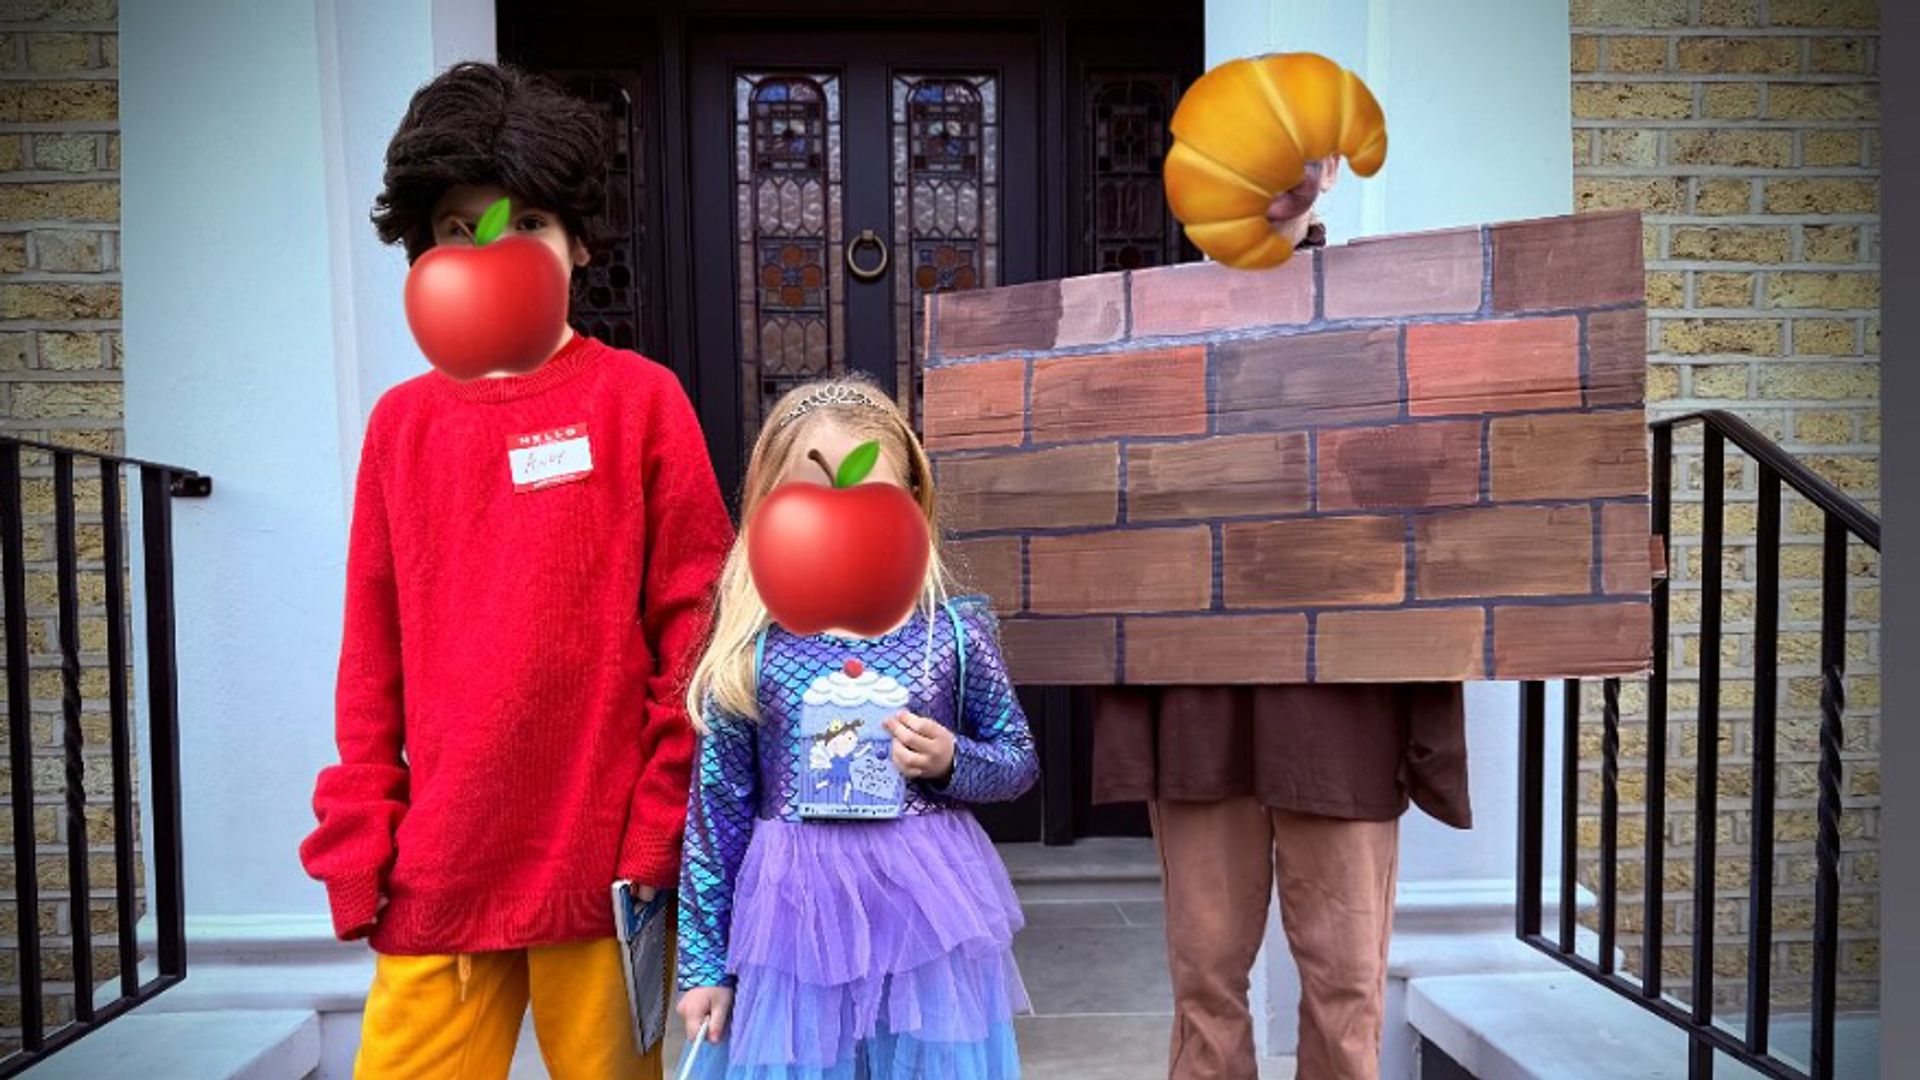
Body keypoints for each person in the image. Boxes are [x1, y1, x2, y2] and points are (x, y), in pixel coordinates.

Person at [297, 62, 733, 1079]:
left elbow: (700, 632)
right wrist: (362, 831)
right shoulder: (402, 425)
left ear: (579, 241)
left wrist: (659, 824)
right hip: (442, 868)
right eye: (462, 228)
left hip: (601, 867)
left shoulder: (641, 401)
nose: (494, 252)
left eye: (527, 222)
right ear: (424, 254)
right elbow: (371, 654)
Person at [1090, 155, 1475, 1080]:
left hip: (1342, 710)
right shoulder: (1151, 332)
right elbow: (1115, 515)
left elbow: (1427, 507)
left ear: (1328, 174)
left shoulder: (1384, 322)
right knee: (1206, 987)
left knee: (1346, 990)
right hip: (1200, 705)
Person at [674, 376, 1038, 1079]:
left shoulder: (950, 635)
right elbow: (715, 820)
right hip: (794, 925)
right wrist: (703, 966)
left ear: (912, 503)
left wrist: (951, 760)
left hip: (922, 921)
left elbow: (1017, 758)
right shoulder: (753, 652)